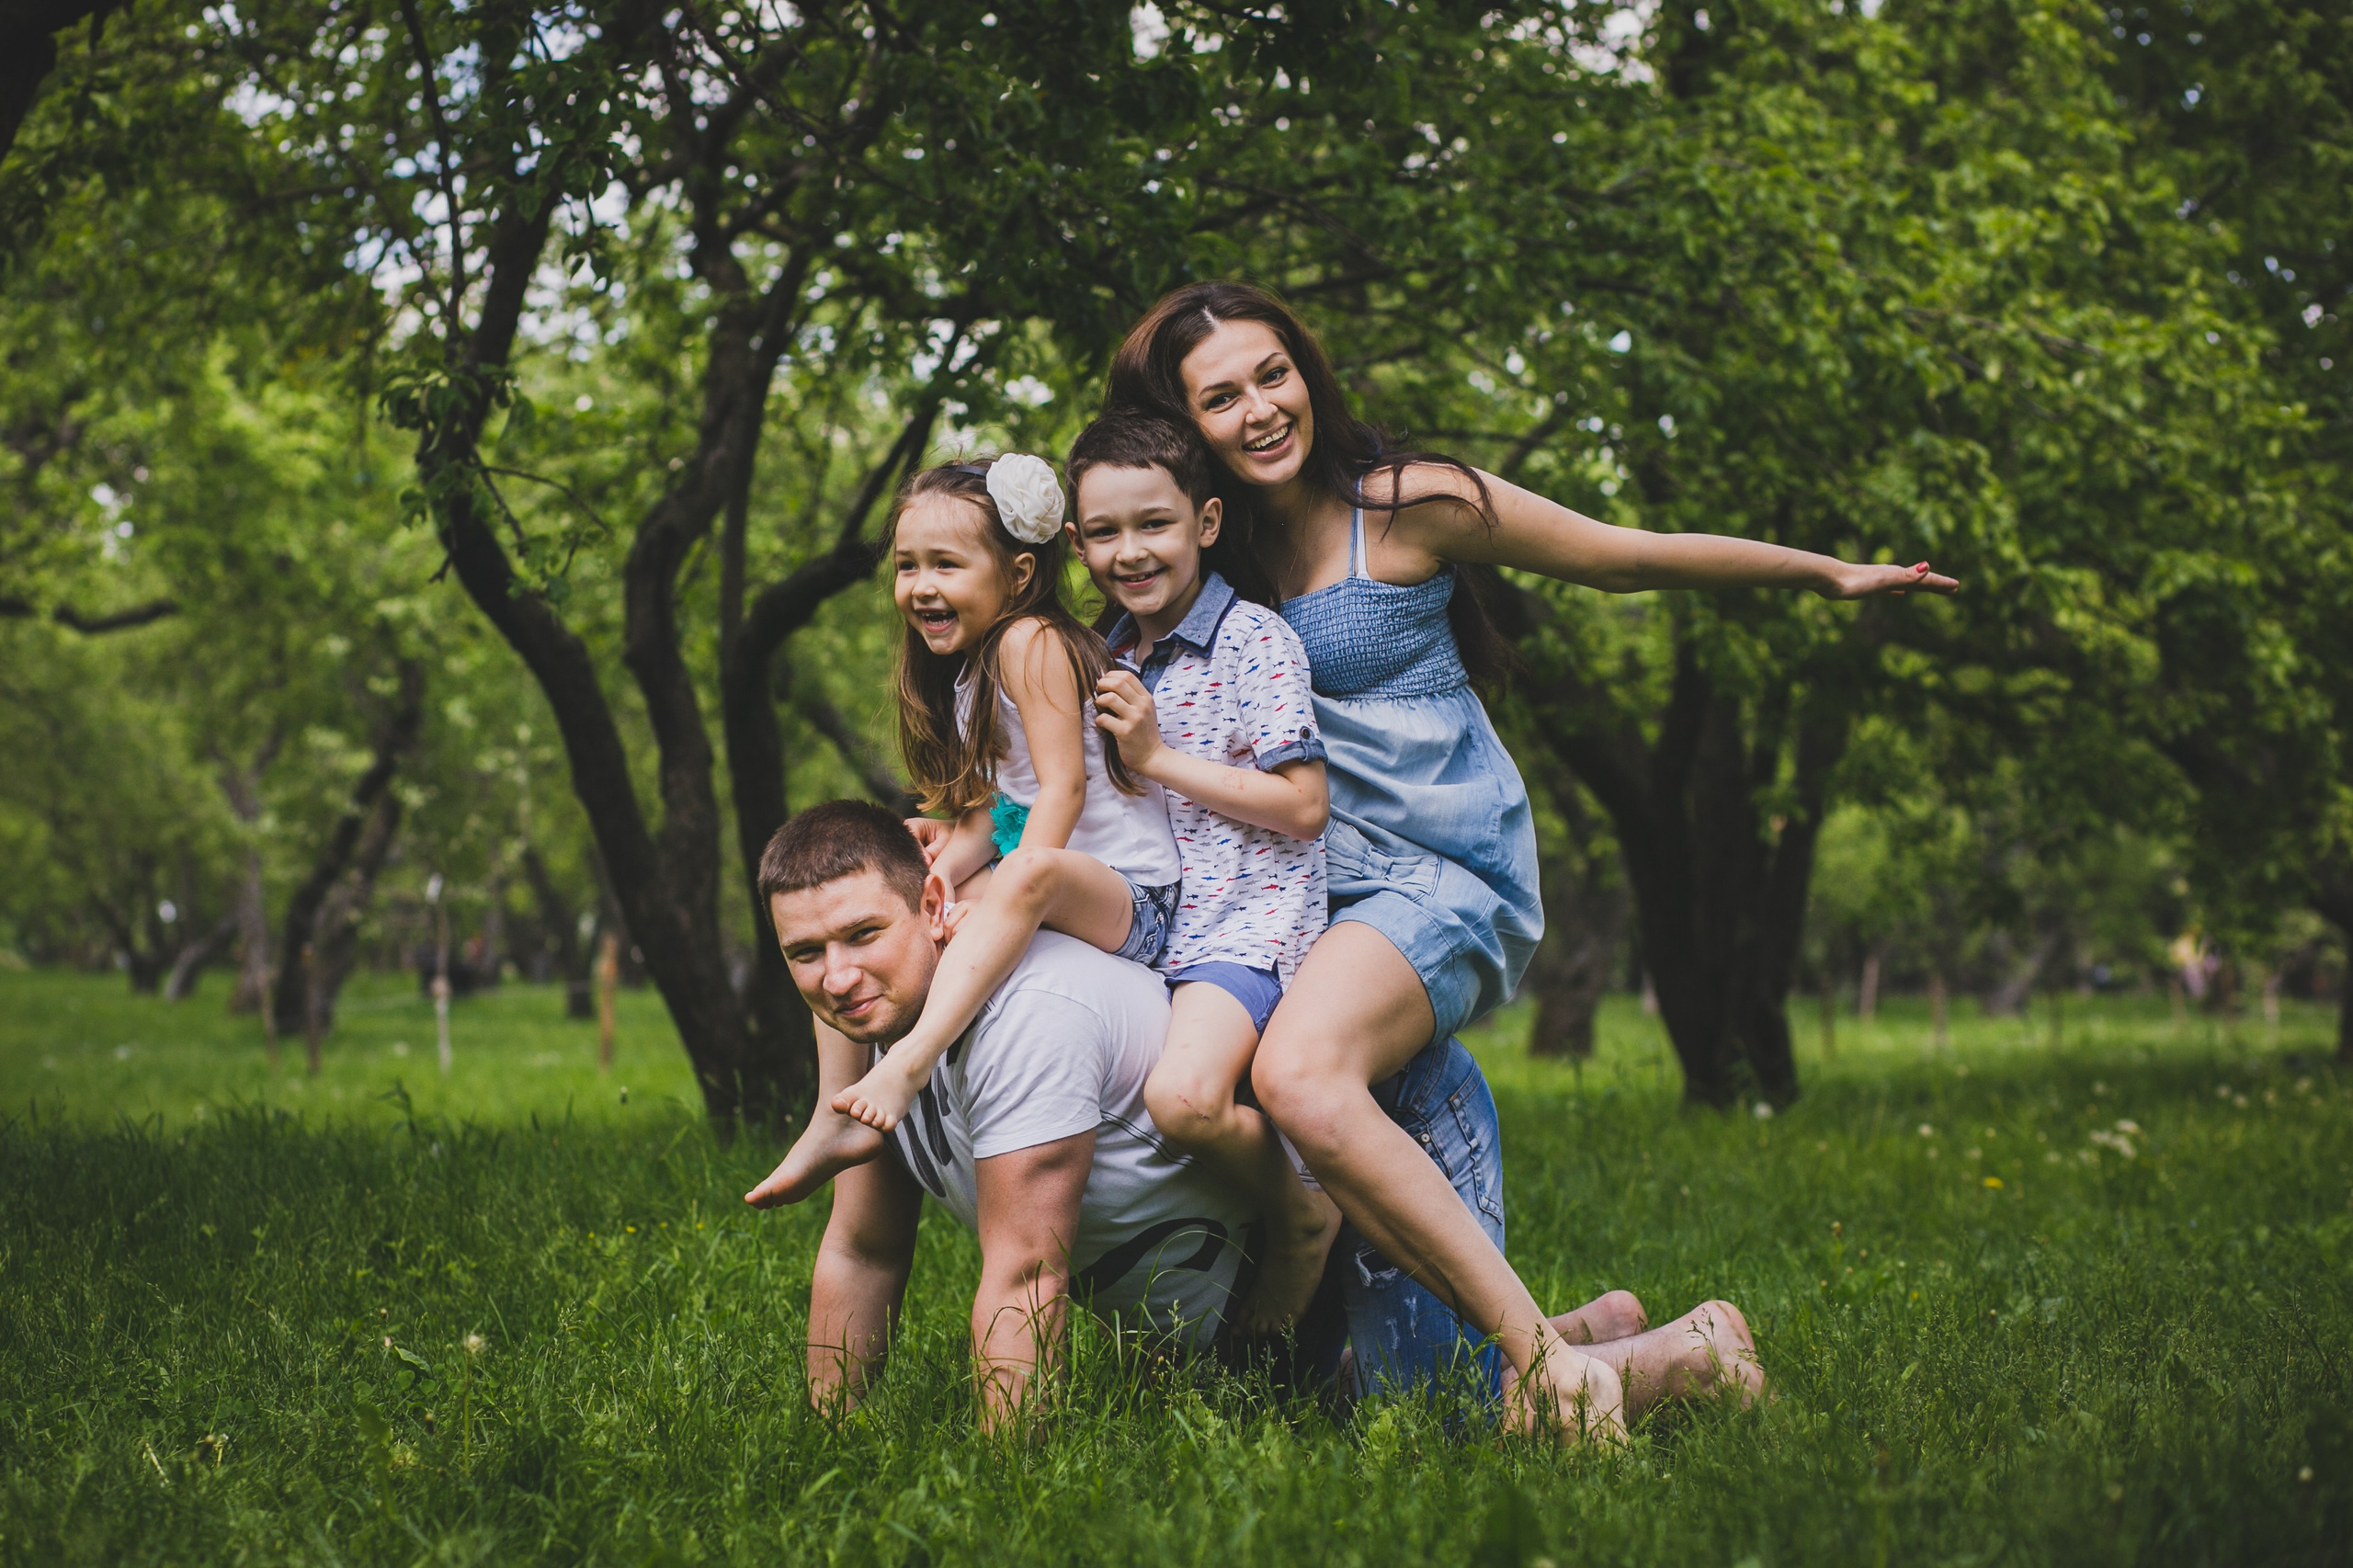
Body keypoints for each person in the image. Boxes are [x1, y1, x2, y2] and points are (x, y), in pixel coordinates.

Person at [1103, 279, 1959, 1437]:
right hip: (1310, 890)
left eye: (1273, 374)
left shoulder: (1405, 503)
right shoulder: (1204, 556)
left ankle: (1547, 1365)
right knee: (1364, 1378)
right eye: (1220, 395)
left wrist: (1823, 572)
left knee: (1299, 1076)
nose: (1260, 408)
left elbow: (1620, 556)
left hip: (1440, 870)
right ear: (1181, 426)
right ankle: (1607, 1333)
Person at [741, 801, 1762, 1432]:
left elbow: (1029, 1273)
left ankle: (1692, 1350)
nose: (837, 976)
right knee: (1321, 1411)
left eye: (861, 933)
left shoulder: (1023, 1013)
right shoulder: (883, 1041)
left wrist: (1014, 1501)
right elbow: (864, 1249)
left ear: (933, 902)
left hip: (1367, 1159)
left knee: (1430, 1431)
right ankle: (1595, 1330)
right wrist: (832, 1442)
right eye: (803, 952)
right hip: (1262, 1296)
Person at [1068, 409, 1339, 1335]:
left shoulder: (1251, 640)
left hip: (1244, 929)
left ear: (1207, 524)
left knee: (1183, 1101)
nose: (1129, 550)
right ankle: (1173, 1319)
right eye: (1104, 531)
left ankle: (1305, 1205)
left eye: (1154, 523)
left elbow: (1303, 803)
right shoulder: (1099, 656)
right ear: (1074, 542)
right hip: (1148, 937)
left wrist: (1155, 753)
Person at [825, 454, 1186, 1139]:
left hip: (1134, 899)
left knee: (1019, 877)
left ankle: (913, 1061)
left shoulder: (1030, 640)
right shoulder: (972, 669)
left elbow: (1063, 789)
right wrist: (937, 881)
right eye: (908, 566)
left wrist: (999, 896)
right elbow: (995, 809)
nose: (921, 587)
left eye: (947, 565)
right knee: (891, 899)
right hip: (1051, 879)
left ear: (1019, 574)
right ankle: (829, 1112)